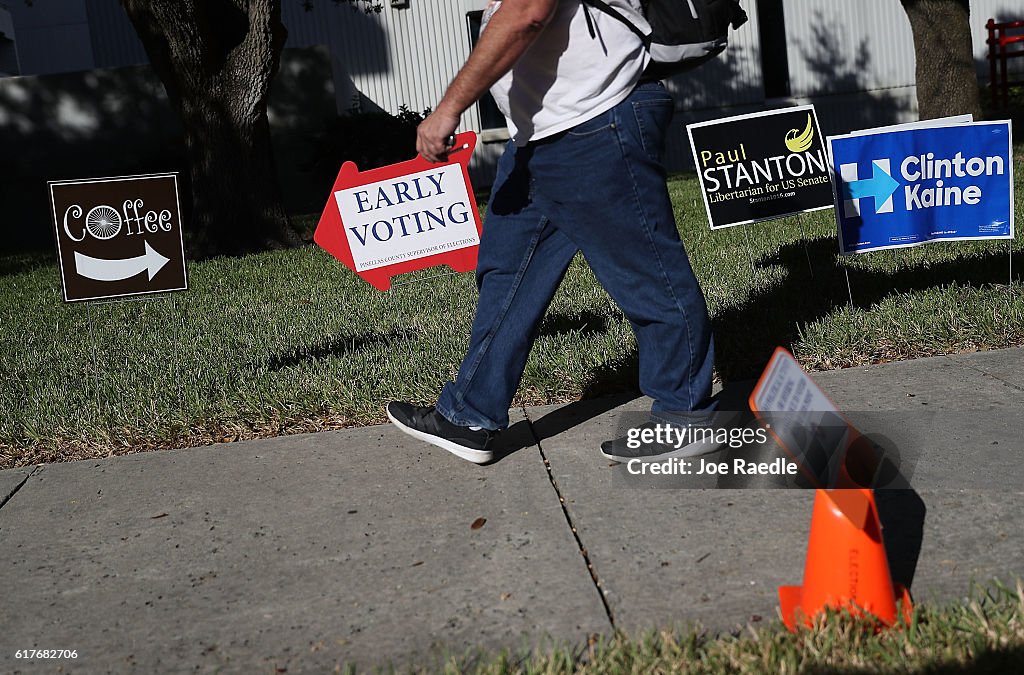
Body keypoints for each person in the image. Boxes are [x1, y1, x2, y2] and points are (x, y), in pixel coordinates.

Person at [387, 0, 717, 464]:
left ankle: (686, 415)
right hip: (539, 137)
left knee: (647, 276)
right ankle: (469, 415)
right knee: (508, 275)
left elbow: (527, 12)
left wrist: (448, 108)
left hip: (598, 121)